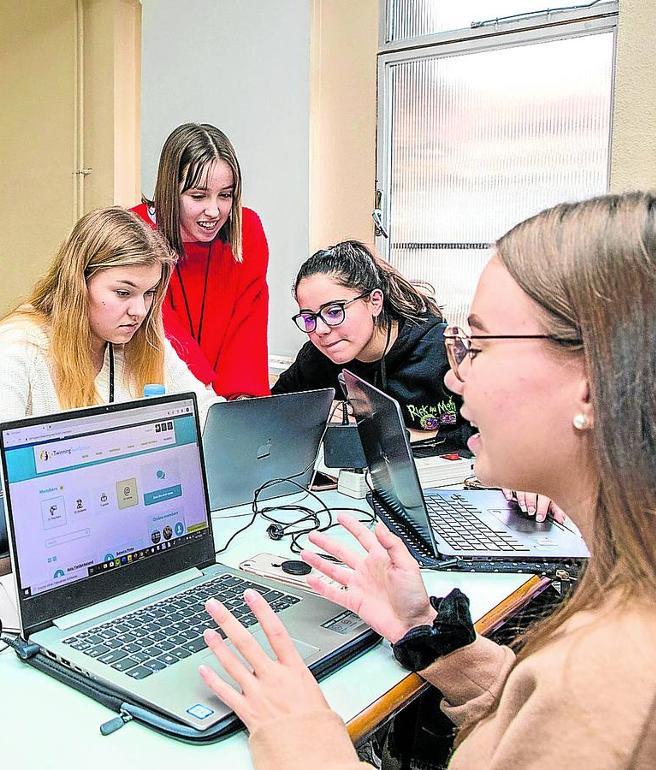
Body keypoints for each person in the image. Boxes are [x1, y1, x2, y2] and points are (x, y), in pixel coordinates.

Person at [198, 191, 656, 769]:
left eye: (479, 347)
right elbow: (532, 716)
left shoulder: (613, 680)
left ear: (592, 382)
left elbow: (570, 711)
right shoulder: (610, 626)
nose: (457, 378)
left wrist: (307, 737)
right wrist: (428, 634)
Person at [0, 206, 218, 428]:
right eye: (123, 293)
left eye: (149, 293)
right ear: (78, 284)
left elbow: (212, 419)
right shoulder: (12, 350)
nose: (140, 311)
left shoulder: (145, 342)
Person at [272, 240, 470, 450]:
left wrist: (403, 436)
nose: (320, 330)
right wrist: (315, 414)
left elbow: (485, 432)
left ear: (375, 301)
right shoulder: (315, 358)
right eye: (309, 318)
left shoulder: (443, 351)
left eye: (334, 311)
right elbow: (273, 408)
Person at [132, 122, 271, 399]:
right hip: (164, 389)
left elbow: (248, 329)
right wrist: (207, 398)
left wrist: (241, 401)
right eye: (198, 196)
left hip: (223, 402)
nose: (214, 211)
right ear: (170, 191)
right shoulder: (137, 231)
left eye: (225, 195)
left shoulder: (247, 230)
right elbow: (160, 325)